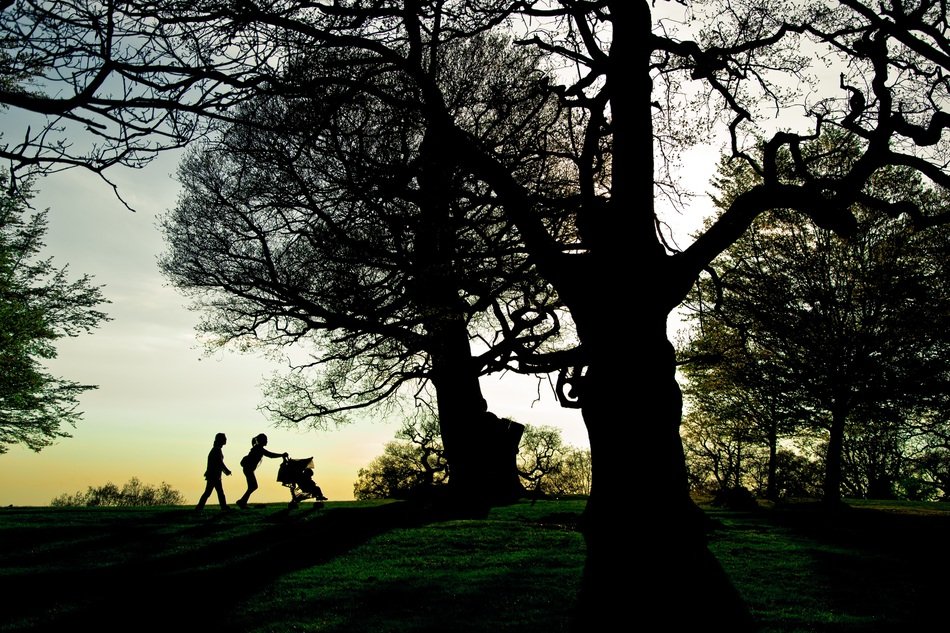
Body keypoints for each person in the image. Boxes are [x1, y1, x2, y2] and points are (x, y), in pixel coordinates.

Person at [235, 433, 287, 508]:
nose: (267, 441)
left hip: (248, 469)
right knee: (253, 486)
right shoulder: (259, 449)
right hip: (248, 469)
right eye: (266, 440)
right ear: (262, 441)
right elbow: (270, 455)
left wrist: (281, 455)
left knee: (252, 486)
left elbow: (270, 455)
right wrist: (281, 455)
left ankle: (242, 501)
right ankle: (242, 502)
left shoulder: (258, 448)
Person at [196, 432, 232, 511]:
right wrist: (226, 471)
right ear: (220, 440)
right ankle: (223, 507)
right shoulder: (217, 450)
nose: (226, 440)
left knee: (215, 492)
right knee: (212, 492)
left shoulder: (216, 449)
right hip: (214, 475)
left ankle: (223, 507)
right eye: (224, 438)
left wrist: (225, 471)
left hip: (214, 475)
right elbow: (220, 463)